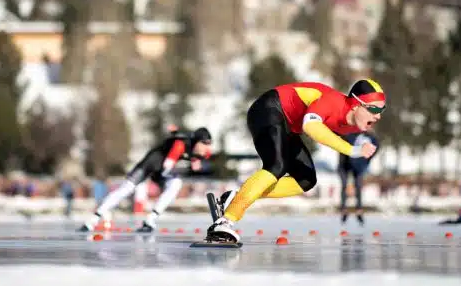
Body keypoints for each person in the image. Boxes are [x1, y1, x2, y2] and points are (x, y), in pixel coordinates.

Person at [205, 79, 384, 244]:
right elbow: (310, 125)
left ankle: (235, 198)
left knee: (306, 179)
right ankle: (225, 221)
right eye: (374, 109)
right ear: (355, 104)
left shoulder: (354, 125)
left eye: (381, 110)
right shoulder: (332, 101)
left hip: (287, 125)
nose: (378, 116)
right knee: (277, 166)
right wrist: (351, 150)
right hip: (268, 109)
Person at [79, 127, 213, 233]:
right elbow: (167, 167)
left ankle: (151, 219)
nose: (206, 147)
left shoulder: (205, 152)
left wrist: (193, 163)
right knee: (126, 188)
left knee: (176, 184)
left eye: (208, 144)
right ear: (195, 142)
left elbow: (195, 164)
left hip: (163, 169)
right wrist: (188, 166)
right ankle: (93, 219)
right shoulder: (179, 144)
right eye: (203, 143)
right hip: (151, 163)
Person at [338, 131, 379, 225]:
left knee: (358, 185)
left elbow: (376, 146)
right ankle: (344, 209)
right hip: (344, 163)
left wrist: (367, 160)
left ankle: (359, 209)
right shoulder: (349, 134)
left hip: (358, 164)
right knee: (344, 185)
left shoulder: (369, 137)